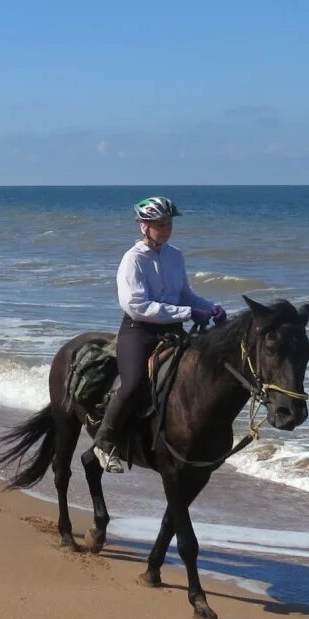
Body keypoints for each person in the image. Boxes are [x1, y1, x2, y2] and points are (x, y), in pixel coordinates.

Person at [90, 196, 226, 473]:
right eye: (158, 224)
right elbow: (137, 306)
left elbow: (185, 294)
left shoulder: (175, 255)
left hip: (172, 331)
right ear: (144, 226)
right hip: (139, 330)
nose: (165, 228)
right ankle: (104, 443)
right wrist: (187, 313)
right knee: (133, 383)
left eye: (168, 223)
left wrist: (209, 307)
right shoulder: (133, 260)